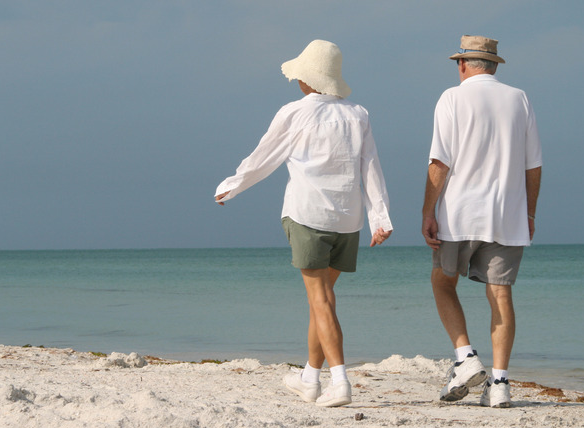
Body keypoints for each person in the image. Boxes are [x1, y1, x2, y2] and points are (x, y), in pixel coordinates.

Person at [214, 39, 393, 407]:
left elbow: (264, 156)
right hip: (348, 221)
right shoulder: (358, 113)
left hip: (309, 216)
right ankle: (310, 378)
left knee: (321, 300)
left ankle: (340, 381)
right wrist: (380, 217)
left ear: (307, 79)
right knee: (322, 300)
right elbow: (370, 167)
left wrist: (231, 186)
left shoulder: (294, 113)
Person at [421, 35, 542, 408]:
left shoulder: (451, 98)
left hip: (458, 212)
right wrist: (530, 212)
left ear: (462, 65)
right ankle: (501, 383)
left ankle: (466, 357)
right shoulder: (519, 98)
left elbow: (440, 163)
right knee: (500, 294)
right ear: (493, 65)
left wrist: (428, 211)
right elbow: (533, 165)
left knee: (443, 283)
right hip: (507, 213)